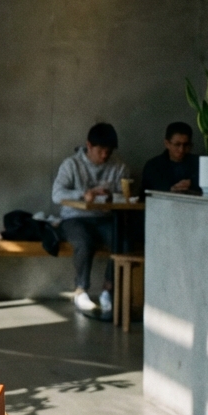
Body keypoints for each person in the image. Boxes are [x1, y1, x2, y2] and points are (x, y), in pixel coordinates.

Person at [52, 123, 130, 317]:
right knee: (83, 242)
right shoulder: (71, 164)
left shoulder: (118, 166)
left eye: (108, 152)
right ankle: (81, 290)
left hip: (105, 217)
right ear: (89, 145)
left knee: (122, 241)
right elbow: (56, 194)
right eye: (100, 150)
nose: (104, 156)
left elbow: (125, 196)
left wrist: (111, 197)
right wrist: (83, 194)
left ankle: (108, 290)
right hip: (74, 217)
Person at [141, 121, 200, 196]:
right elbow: (146, 193)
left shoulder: (199, 164)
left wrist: (192, 183)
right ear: (167, 144)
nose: (181, 150)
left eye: (186, 145)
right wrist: (169, 190)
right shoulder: (153, 166)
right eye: (177, 144)